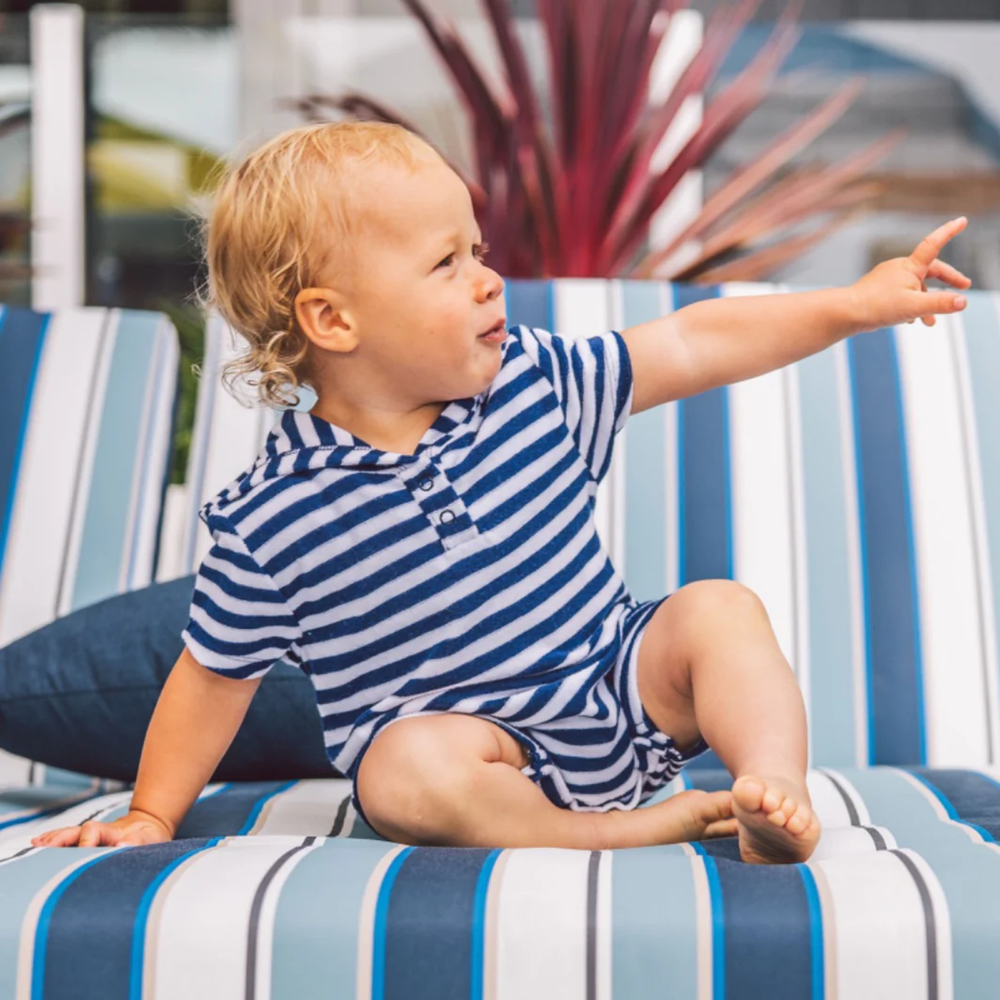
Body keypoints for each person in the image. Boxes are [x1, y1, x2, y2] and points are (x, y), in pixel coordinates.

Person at [31, 121, 971, 864]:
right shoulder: (275, 514)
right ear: (333, 319)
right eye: (446, 263)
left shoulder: (529, 381)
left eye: (476, 249)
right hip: (481, 757)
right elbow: (210, 677)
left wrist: (851, 305)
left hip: (620, 690)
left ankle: (771, 791)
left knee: (717, 610)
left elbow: (688, 345)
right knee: (396, 770)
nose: (489, 280)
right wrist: (154, 814)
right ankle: (598, 835)